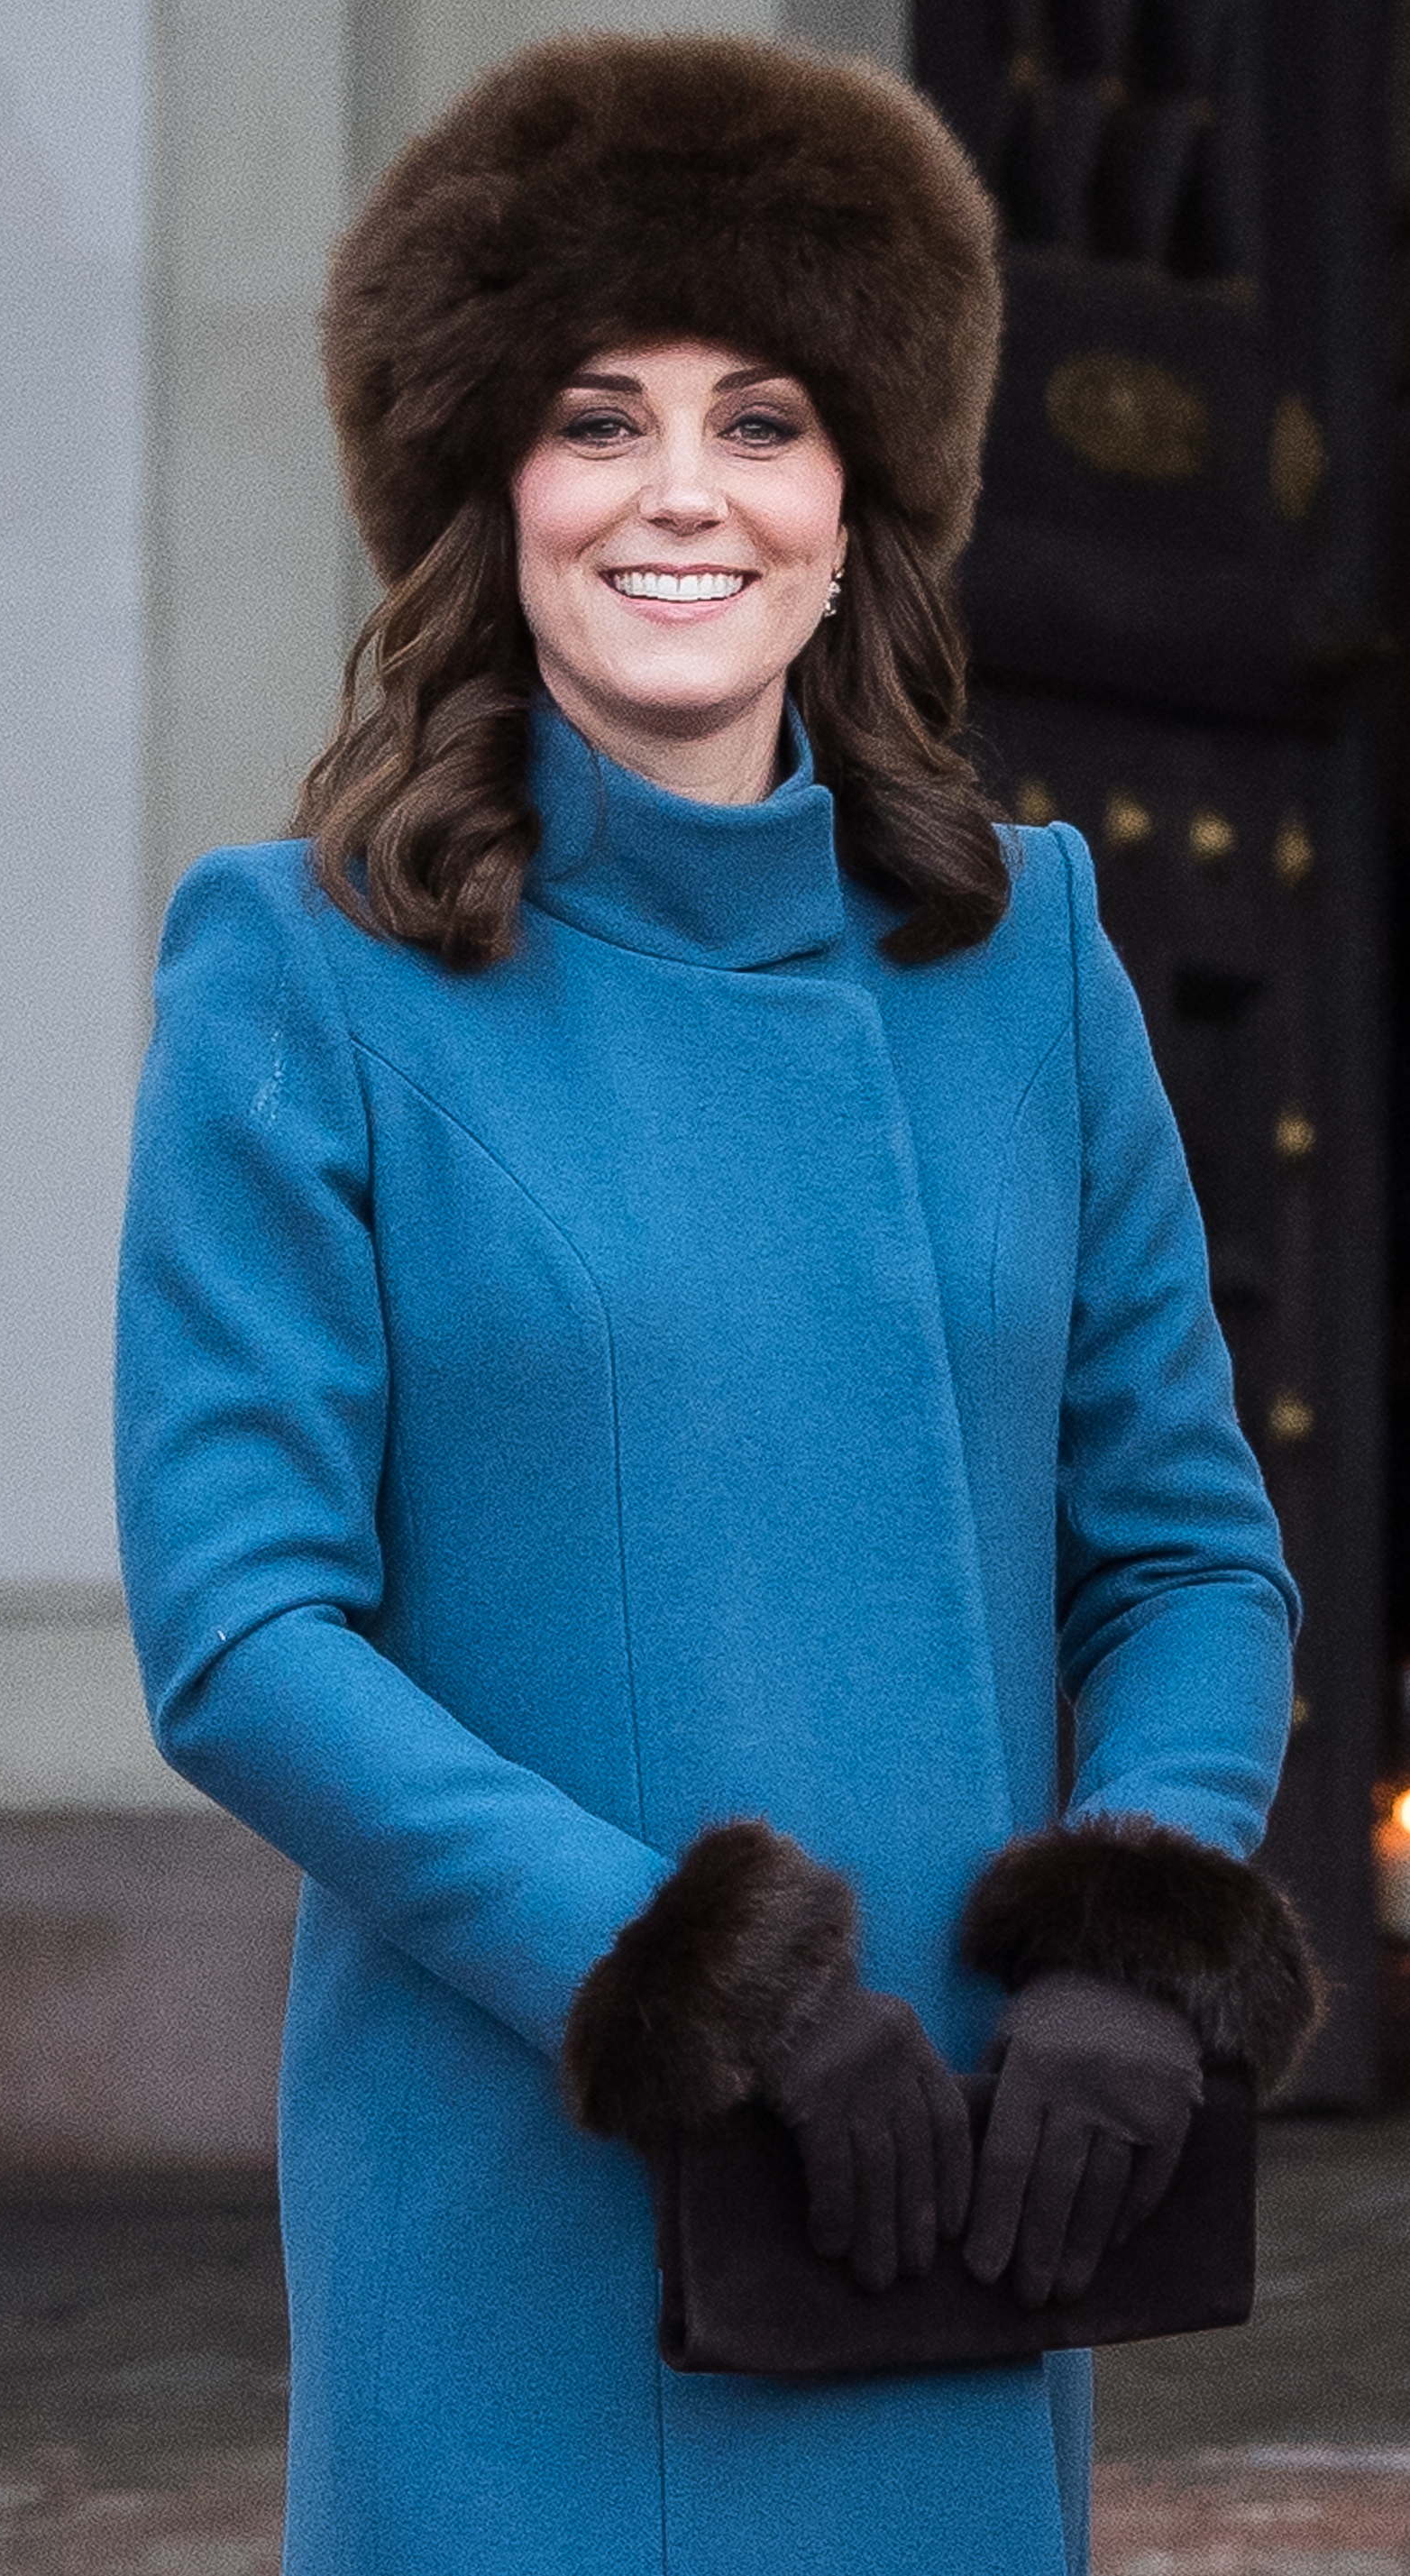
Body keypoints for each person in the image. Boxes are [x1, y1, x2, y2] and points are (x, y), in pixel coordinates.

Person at [114, 34, 1316, 2576]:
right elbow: (240, 1621)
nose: (686, 493)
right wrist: (699, 1978)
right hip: (533, 2208)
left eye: (762, 416)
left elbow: (1192, 1556)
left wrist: (1127, 1940)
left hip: (953, 2204)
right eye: (597, 417)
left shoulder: (1034, 960)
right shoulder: (300, 974)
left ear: (858, 483)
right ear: (488, 490)